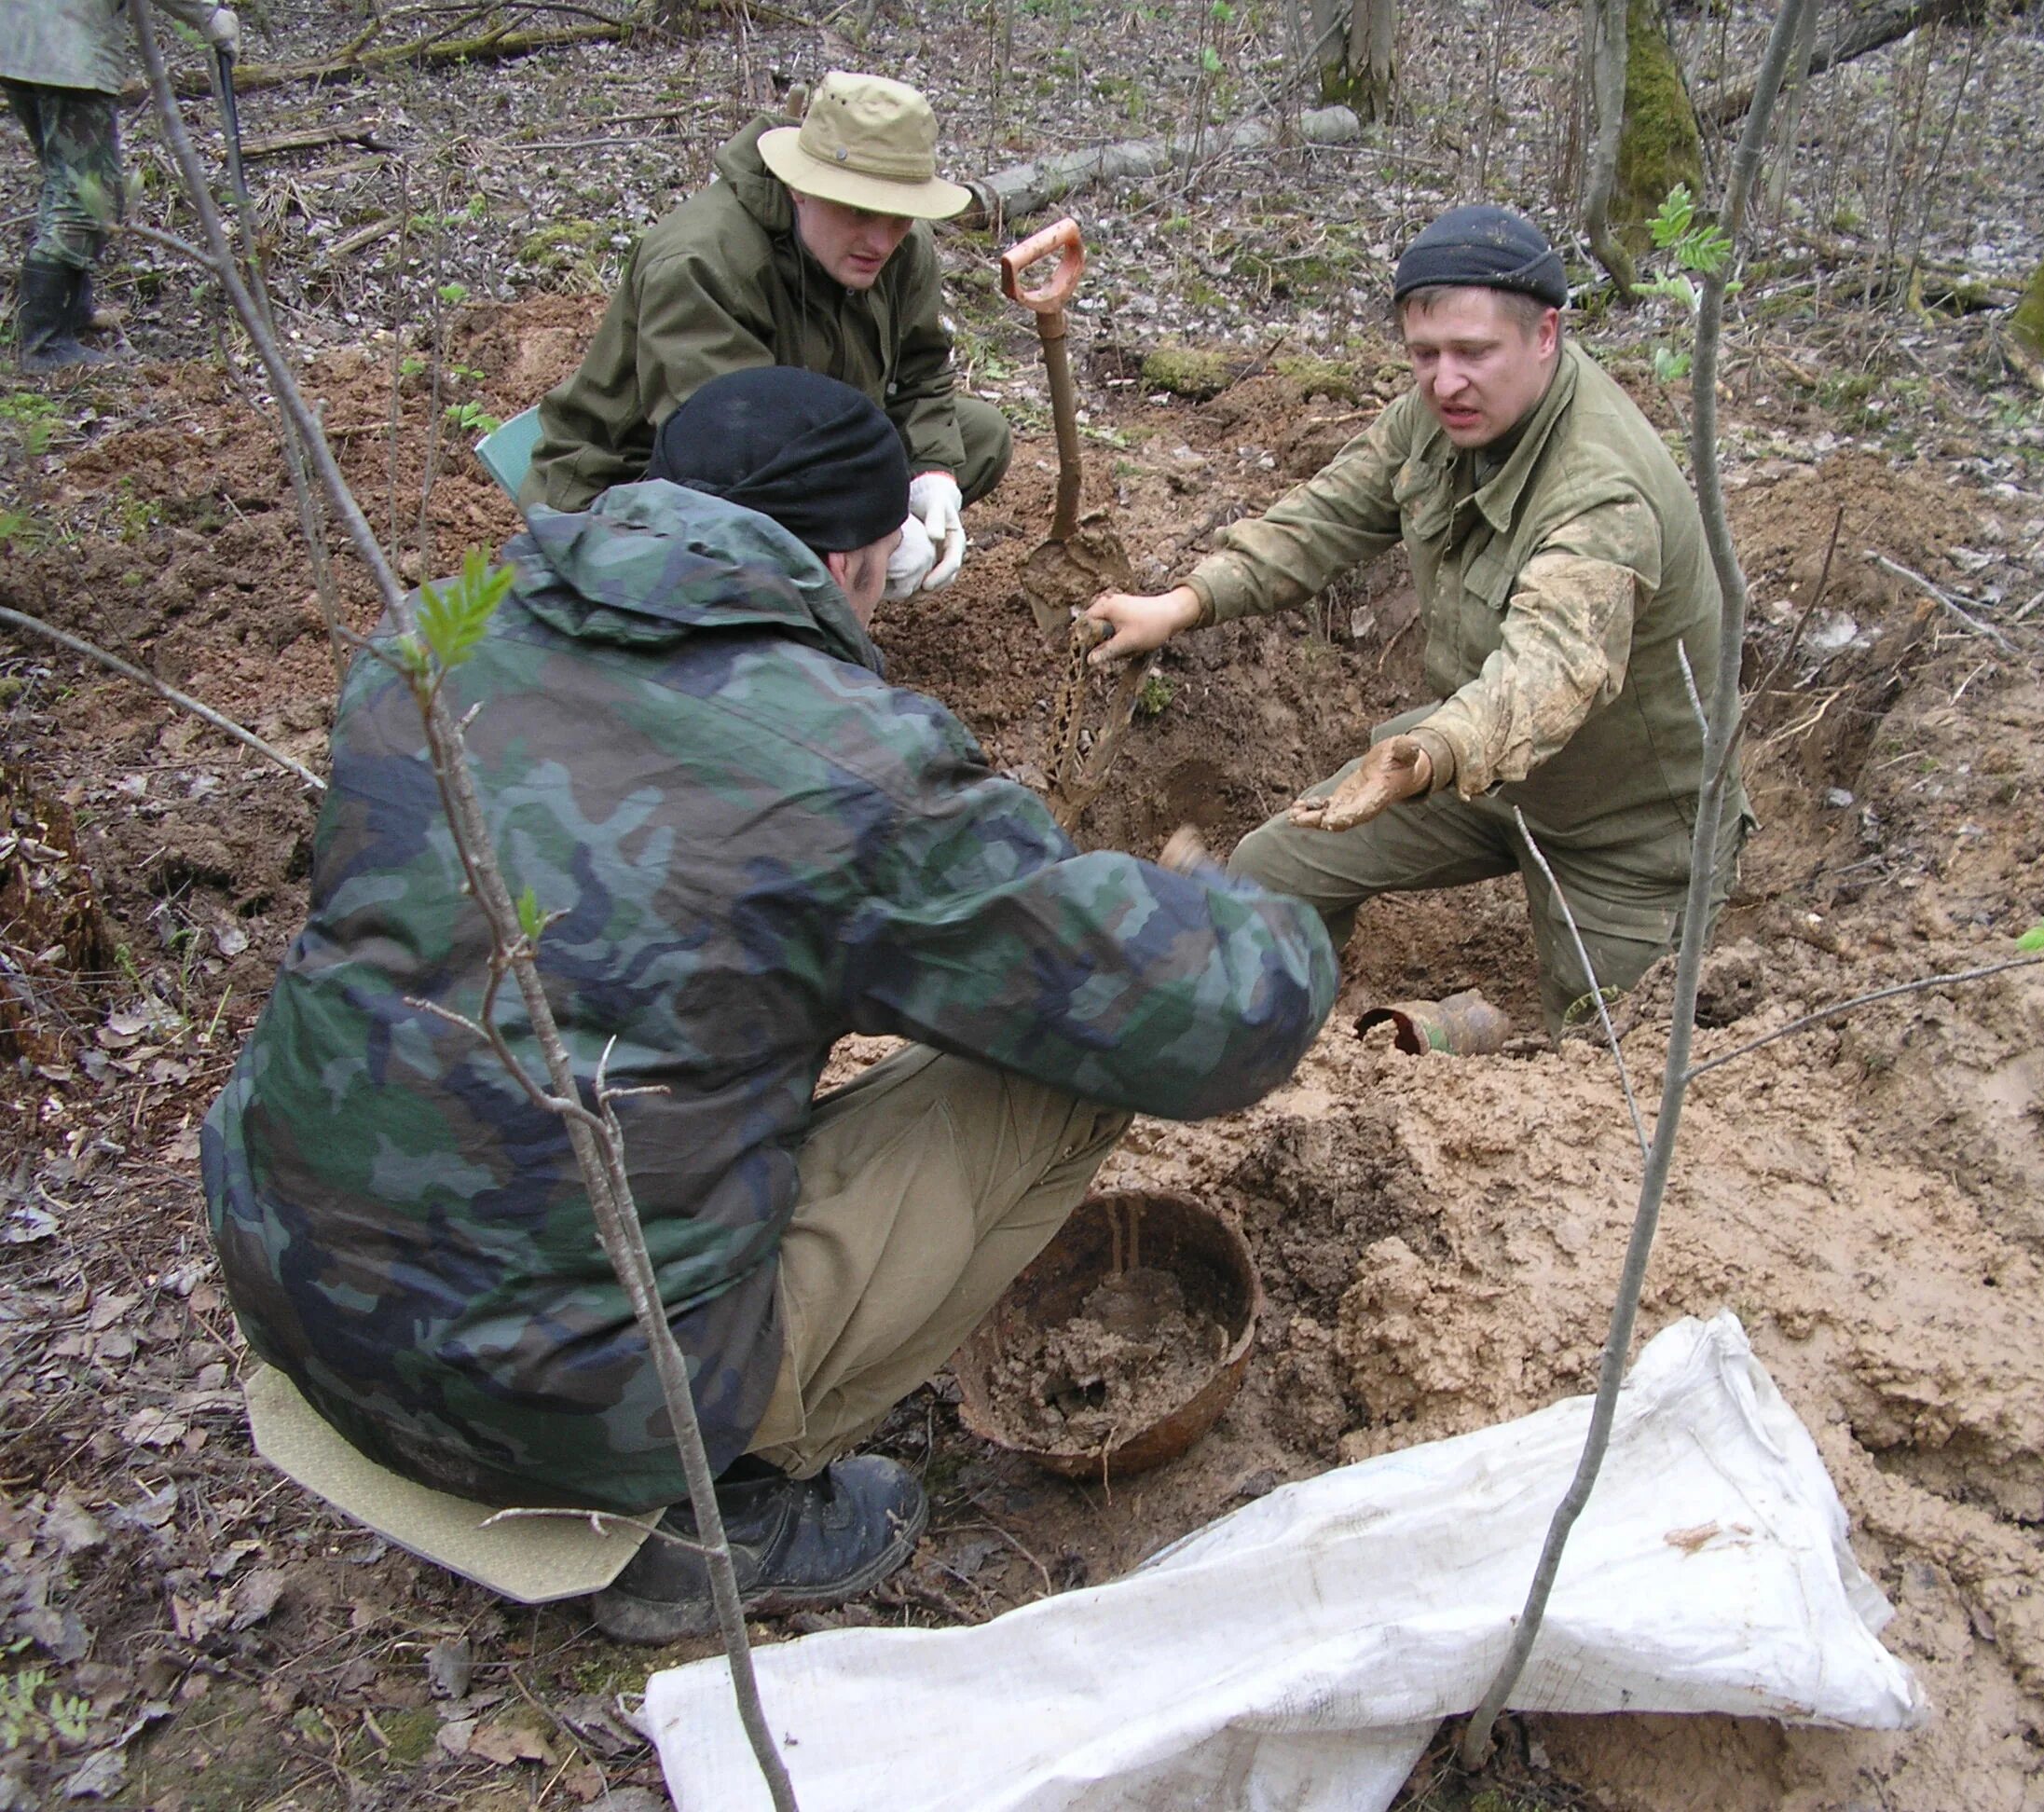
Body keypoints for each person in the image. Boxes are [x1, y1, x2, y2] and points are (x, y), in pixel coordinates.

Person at [202, 368, 1336, 1640]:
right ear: (857, 560)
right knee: (1065, 1071)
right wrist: (1272, 913)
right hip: (572, 1410)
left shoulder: (428, 637)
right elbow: (1203, 1018)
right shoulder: (844, 765)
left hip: (290, 1286)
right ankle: (714, 1511)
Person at [1087, 206, 1744, 1030]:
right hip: (1471, 767)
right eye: (1423, 356)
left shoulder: (1601, 494)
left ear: (1546, 335)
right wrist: (1182, 604)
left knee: (1608, 1054)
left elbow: (1546, 674)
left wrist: (1426, 754)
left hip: (1625, 832)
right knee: (1275, 871)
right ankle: (1289, 1049)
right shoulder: (1438, 418)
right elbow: (1325, 517)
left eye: (1473, 353)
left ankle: (1462, 1040)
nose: (1444, 382)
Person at [525, 70, 1006, 598]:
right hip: (645, 476)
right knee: (740, 532)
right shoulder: (703, 262)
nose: (881, 240)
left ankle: (818, 587)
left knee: (977, 436)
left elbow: (922, 370)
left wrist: (932, 473)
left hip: (803, 435)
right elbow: (730, 453)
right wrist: (880, 523)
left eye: (899, 216)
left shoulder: (901, 243)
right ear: (801, 187)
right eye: (860, 210)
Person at [2, 0, 240, 370]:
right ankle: (45, 343)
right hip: (66, 47)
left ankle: (71, 312)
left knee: (63, 180)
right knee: (84, 198)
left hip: (19, 41)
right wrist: (207, 14)